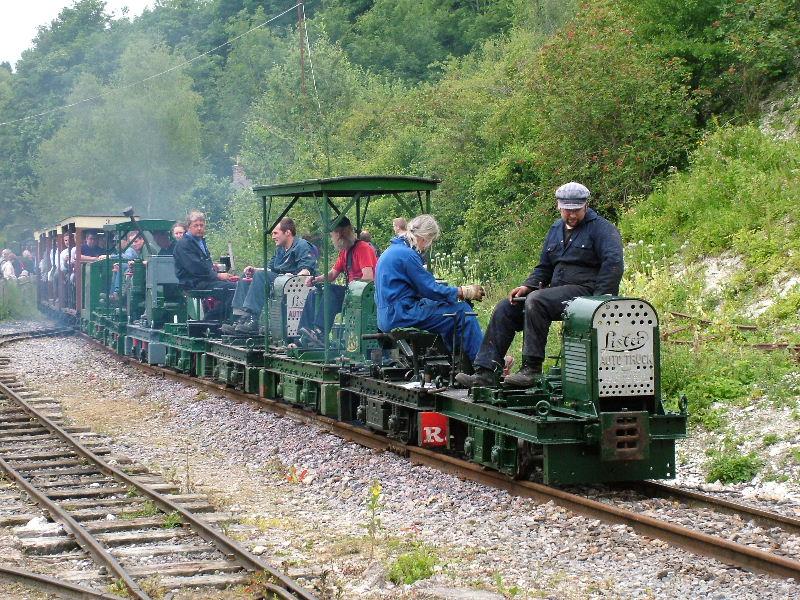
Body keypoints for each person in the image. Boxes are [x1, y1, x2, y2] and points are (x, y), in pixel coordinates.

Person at [456, 182, 624, 388]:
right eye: (566, 210)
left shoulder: (603, 230)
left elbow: (613, 266)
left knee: (537, 300)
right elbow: (544, 267)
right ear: (559, 207)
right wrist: (528, 286)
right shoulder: (555, 229)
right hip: (556, 292)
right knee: (506, 307)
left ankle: (531, 369)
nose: (571, 215)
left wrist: (599, 303)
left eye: (576, 211)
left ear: (586, 206)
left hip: (585, 294)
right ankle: (486, 373)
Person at [374, 214, 485, 366]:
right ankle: (484, 366)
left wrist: (449, 295)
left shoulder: (391, 251)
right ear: (425, 237)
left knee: (444, 309)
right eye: (430, 241)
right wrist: (462, 291)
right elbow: (430, 289)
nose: (427, 247)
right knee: (462, 312)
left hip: (388, 315)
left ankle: (456, 361)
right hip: (401, 313)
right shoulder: (407, 255)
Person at [222, 217, 317, 334]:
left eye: (276, 233)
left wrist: (292, 276)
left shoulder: (302, 245)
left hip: (293, 285)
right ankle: (241, 319)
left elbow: (307, 270)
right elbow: (270, 268)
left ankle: (253, 319)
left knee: (261, 276)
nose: (273, 236)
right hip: (278, 280)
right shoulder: (280, 249)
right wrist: (254, 270)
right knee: (246, 277)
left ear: (287, 232)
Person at [297, 216, 378, 345]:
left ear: (340, 233)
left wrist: (353, 289)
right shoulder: (345, 252)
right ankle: (304, 333)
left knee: (331, 290)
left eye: (332, 234)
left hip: (363, 295)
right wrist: (316, 279)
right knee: (314, 292)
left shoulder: (363, 248)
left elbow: (368, 277)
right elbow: (333, 274)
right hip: (351, 293)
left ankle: (320, 332)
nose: (332, 238)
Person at [173, 211, 237, 321]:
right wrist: (218, 276)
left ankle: (227, 321)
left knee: (237, 286)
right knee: (232, 290)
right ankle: (209, 321)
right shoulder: (183, 244)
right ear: (189, 227)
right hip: (193, 282)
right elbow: (195, 268)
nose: (199, 228)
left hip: (204, 280)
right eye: (196, 225)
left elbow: (203, 263)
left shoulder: (200, 241)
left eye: (201, 225)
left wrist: (213, 266)